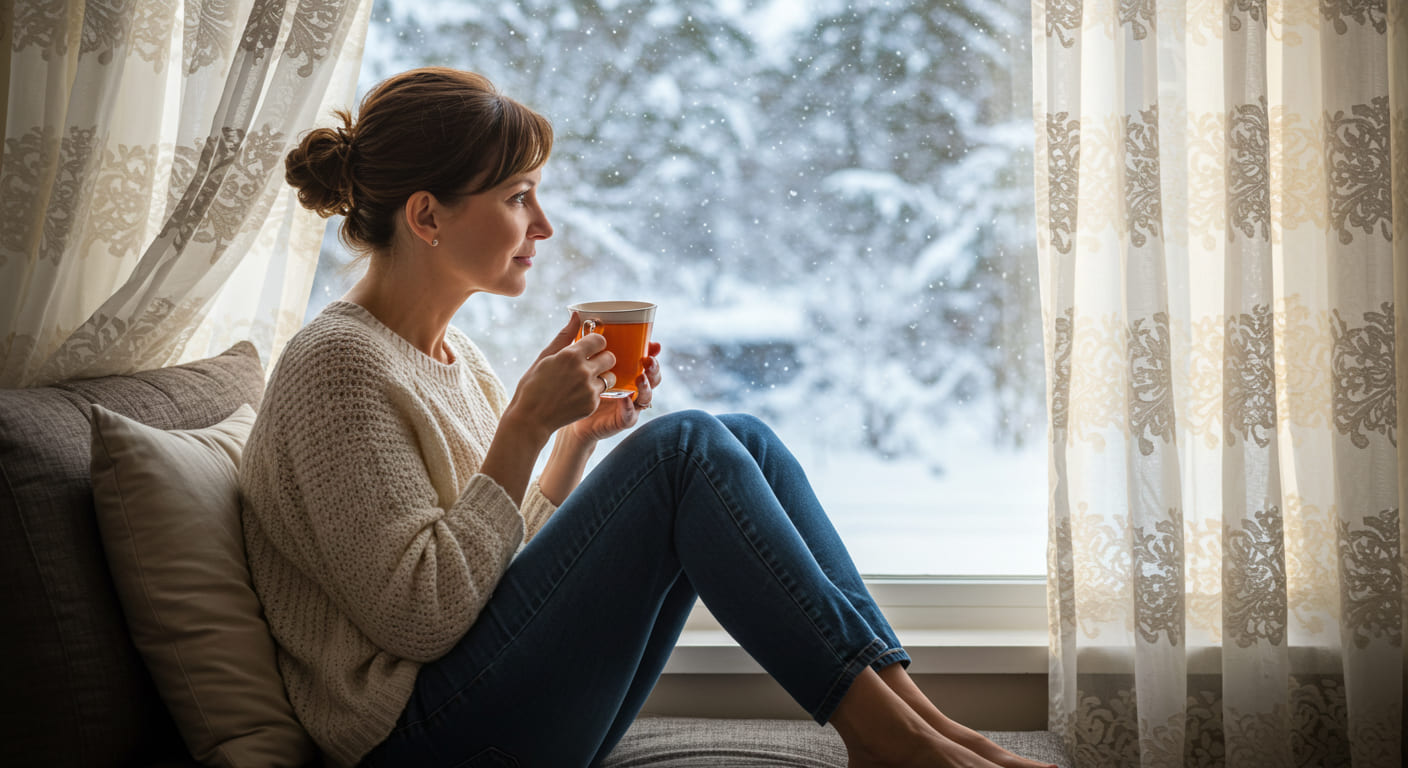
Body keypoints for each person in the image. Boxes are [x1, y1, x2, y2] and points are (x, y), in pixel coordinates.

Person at [241, 66, 1055, 768]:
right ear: (427, 217)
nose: (545, 225)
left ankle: (921, 724)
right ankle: (897, 744)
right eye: (519, 197)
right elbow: (422, 617)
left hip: (477, 705)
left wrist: (568, 443)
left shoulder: (456, 355)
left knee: (743, 440)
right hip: (420, 740)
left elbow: (495, 569)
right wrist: (521, 427)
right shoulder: (338, 368)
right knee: (686, 448)